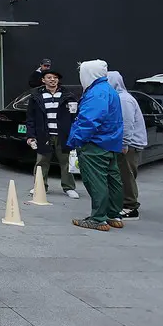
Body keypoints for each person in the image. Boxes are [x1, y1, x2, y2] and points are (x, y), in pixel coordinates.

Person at [68, 61, 125, 231]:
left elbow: (88, 121)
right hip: (110, 142)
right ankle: (113, 214)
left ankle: (98, 218)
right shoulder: (109, 90)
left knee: (96, 180)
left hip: (95, 143)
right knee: (112, 180)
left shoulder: (96, 93)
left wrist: (75, 140)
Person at [25, 69, 80, 198]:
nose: (52, 80)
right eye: (49, 77)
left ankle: (69, 187)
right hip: (44, 134)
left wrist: (74, 134)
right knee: (41, 162)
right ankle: (40, 186)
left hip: (63, 135)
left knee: (66, 162)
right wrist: (30, 136)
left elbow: (75, 117)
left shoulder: (68, 95)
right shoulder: (36, 96)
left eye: (55, 77)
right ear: (43, 80)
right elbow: (30, 118)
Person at [108, 71, 145, 220]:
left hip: (129, 145)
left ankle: (130, 207)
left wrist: (124, 143)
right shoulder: (119, 97)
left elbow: (126, 123)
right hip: (126, 143)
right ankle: (123, 203)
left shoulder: (123, 99)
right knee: (121, 174)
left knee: (126, 175)